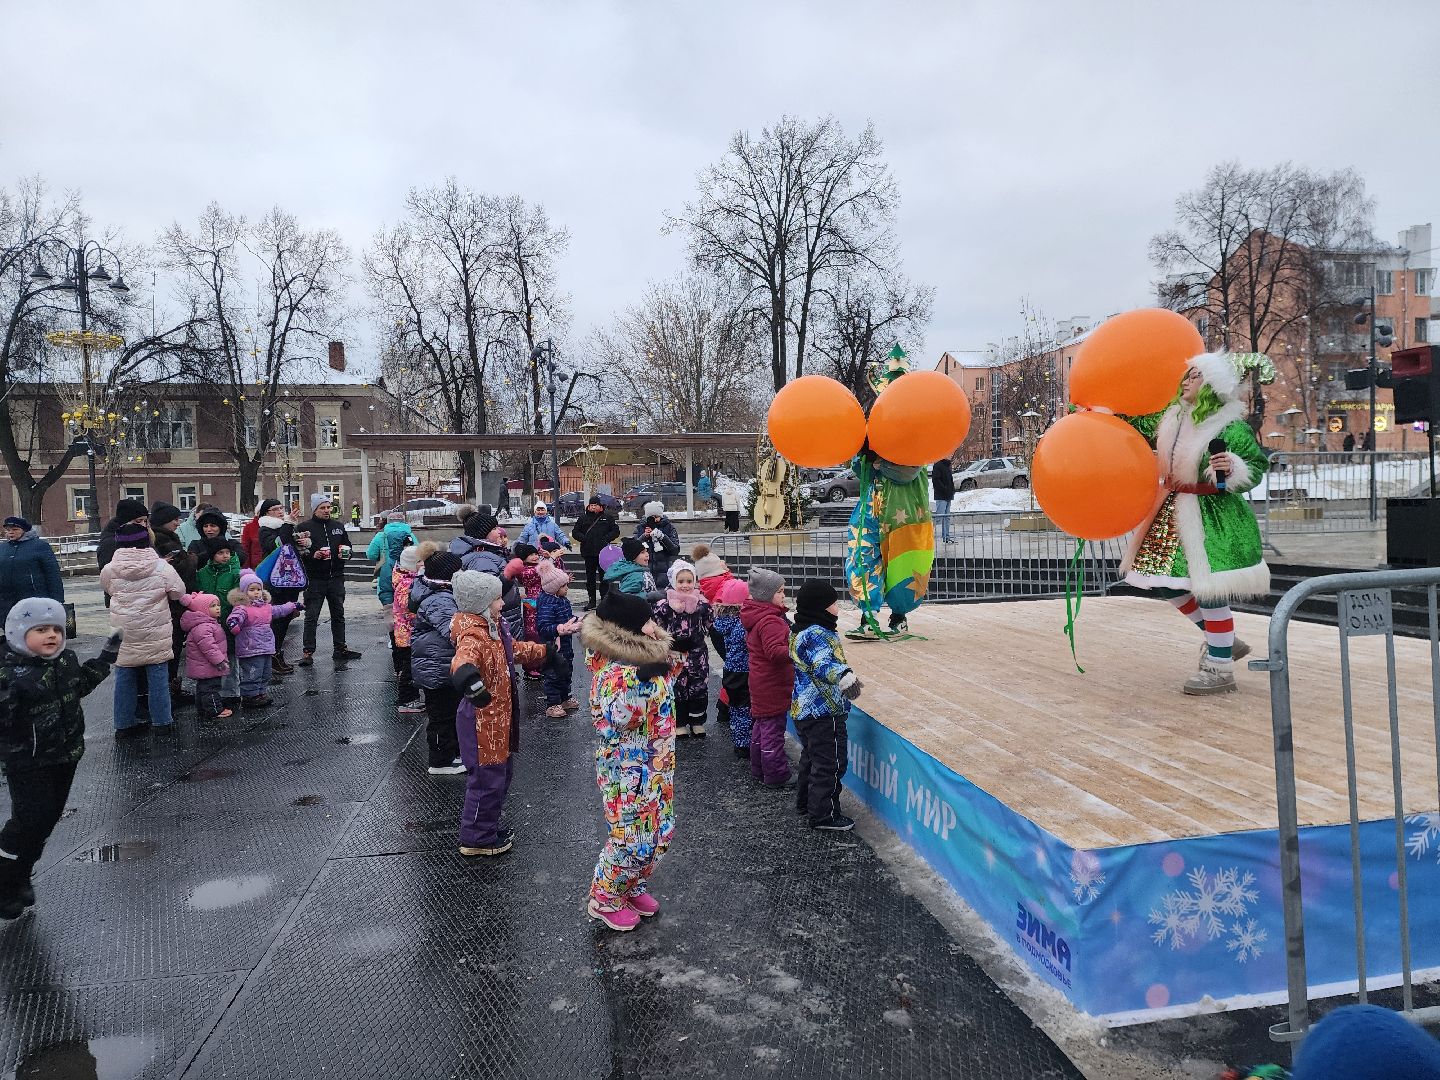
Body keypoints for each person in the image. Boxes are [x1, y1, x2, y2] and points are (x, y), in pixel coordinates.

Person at [1120, 353, 1270, 696]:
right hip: (1171, 511)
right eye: (1185, 376)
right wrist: (1098, 415)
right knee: (1164, 584)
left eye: (1194, 377)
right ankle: (1224, 640)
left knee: (1209, 591)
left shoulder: (1229, 426)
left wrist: (1232, 468)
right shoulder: (1171, 416)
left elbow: (1256, 465)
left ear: (1212, 386)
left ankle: (1219, 668)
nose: (1185, 381)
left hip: (1213, 516)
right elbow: (1137, 426)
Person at [0, 599, 119, 919]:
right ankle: (5, 877)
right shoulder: (9, 673)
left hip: (65, 755)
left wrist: (105, 659)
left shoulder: (64, 660)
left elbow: (78, 686)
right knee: (30, 819)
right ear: (18, 633)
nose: (51, 635)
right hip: (27, 760)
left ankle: (21, 874)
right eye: (40, 630)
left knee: (47, 820)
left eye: (55, 628)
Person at [580, 590, 680, 932]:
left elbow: (664, 687)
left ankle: (631, 885)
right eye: (648, 622)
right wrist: (640, 684)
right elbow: (612, 720)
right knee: (632, 838)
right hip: (627, 771)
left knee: (659, 832)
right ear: (630, 631)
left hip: (657, 765)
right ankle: (605, 896)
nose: (655, 625)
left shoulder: (644, 659)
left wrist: (666, 663)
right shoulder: (616, 671)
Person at [449, 570, 556, 857]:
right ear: (481, 602)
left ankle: (487, 827)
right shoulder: (474, 632)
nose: (503, 602)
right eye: (497, 598)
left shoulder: (494, 626)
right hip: (482, 720)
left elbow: (513, 651)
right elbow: (463, 661)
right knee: (485, 781)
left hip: (498, 719)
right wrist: (470, 681)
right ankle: (476, 838)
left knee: (499, 777)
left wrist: (544, 651)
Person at [789, 580, 863, 831]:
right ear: (820, 607)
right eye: (833, 603)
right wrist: (844, 676)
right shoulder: (815, 634)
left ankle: (806, 803)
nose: (837, 608)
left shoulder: (801, 630)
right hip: (823, 711)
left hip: (805, 711)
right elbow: (823, 665)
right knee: (830, 763)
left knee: (811, 758)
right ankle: (824, 815)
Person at [100, 523, 185, 736]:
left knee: (124, 676)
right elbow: (178, 592)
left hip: (123, 630)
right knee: (157, 676)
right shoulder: (161, 567)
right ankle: (162, 722)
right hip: (155, 629)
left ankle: (123, 724)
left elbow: (108, 588)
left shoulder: (110, 569)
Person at [409, 551, 465, 775]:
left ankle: (452, 752)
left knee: (450, 712)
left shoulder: (439, 594)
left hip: (440, 664)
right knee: (442, 715)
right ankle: (440, 761)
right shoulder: (439, 600)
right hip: (436, 668)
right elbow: (453, 630)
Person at [741, 567, 794, 788]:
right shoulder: (770, 621)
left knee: (761, 727)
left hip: (761, 681)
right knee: (773, 730)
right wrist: (795, 649)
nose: (784, 595)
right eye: (780, 591)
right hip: (772, 684)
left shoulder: (758, 615)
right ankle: (776, 774)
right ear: (766, 595)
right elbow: (775, 652)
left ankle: (758, 767)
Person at [650, 560, 714, 738]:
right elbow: (657, 628)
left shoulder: (702, 605)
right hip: (674, 653)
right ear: (673, 582)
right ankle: (679, 722)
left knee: (699, 686)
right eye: (681, 581)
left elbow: (711, 625)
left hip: (697, 653)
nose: (685, 585)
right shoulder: (664, 606)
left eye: (689, 581)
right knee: (677, 687)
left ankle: (697, 721)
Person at [297, 493, 361, 668]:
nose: (326, 510)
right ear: (315, 510)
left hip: (336, 578)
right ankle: (308, 652)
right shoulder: (304, 527)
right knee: (311, 616)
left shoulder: (338, 526)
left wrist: (347, 553)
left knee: (338, 615)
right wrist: (312, 555)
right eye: (322, 508)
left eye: (328, 507)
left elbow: (348, 546)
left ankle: (340, 648)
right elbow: (299, 552)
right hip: (315, 579)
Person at [226, 570, 300, 710]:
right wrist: (233, 624)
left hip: (265, 646)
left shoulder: (265, 606)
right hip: (250, 647)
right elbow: (235, 617)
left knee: (265, 672)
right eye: (252, 590)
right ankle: (249, 696)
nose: (256, 593)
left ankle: (260, 693)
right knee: (252, 672)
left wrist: (292, 605)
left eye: (258, 589)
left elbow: (278, 610)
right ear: (244, 591)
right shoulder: (242, 607)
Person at [255, 499, 307, 672]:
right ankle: (272, 655)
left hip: (289, 579)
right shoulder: (265, 529)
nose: (279, 511)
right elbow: (279, 544)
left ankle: (276, 654)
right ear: (265, 513)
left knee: (286, 618)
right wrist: (289, 525)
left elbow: (290, 547)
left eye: (280, 508)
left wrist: (303, 542)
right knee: (277, 619)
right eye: (274, 509)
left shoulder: (283, 526)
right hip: (276, 581)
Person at [195, 538, 242, 705]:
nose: (225, 556)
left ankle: (231, 692)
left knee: (230, 654)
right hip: (208, 623)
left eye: (228, 553)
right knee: (210, 655)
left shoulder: (235, 573)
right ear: (212, 555)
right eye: (220, 553)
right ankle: (212, 692)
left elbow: (239, 598)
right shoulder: (202, 573)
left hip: (227, 621)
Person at [710, 579, 751, 759]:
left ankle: (739, 740)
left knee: (736, 708)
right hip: (743, 671)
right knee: (745, 709)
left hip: (731, 669)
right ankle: (744, 745)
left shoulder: (723, 620)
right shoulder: (741, 624)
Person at [535, 560, 580, 718]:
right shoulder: (548, 604)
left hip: (565, 644)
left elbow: (567, 618)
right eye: (564, 586)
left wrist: (577, 621)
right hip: (553, 646)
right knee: (553, 674)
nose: (567, 588)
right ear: (554, 588)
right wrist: (558, 629)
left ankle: (564, 698)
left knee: (566, 671)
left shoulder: (562, 600)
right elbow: (543, 627)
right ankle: (552, 703)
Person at [391, 540, 431, 716]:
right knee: (409, 668)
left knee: (412, 666)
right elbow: (408, 608)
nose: (423, 564)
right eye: (419, 562)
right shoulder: (407, 583)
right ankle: (406, 700)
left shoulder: (410, 578)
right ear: (411, 564)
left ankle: (411, 698)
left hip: (409, 631)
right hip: (407, 633)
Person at [0, 516, 63, 627]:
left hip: (33, 597)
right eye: (8, 530)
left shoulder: (39, 546)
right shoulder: (3, 548)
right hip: (6, 600)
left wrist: (57, 600)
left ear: (24, 530)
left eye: (15, 530)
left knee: (34, 628)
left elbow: (52, 573)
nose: (11, 533)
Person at [180, 592, 232, 720]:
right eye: (213, 606)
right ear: (203, 609)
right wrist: (220, 661)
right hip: (209, 665)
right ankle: (214, 710)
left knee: (203, 688)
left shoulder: (206, 624)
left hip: (204, 665)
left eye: (218, 605)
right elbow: (209, 647)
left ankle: (202, 708)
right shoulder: (204, 627)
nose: (217, 608)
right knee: (211, 688)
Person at [571, 495, 620, 610]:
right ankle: (591, 600)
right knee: (590, 578)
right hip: (588, 552)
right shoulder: (583, 518)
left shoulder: (607, 518)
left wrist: (607, 538)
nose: (593, 507)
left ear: (600, 506)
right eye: (591, 505)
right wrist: (583, 538)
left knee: (604, 577)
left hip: (603, 553)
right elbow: (575, 532)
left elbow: (615, 531)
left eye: (595, 505)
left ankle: (604, 600)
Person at [366, 513, 416, 607]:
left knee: (388, 604)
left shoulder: (381, 535)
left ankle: (390, 616)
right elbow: (417, 553)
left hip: (386, 573)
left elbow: (371, 555)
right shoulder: (410, 535)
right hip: (406, 575)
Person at [96, 498, 150, 577]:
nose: (143, 525)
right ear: (125, 521)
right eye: (138, 521)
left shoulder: (143, 535)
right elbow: (110, 576)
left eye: (145, 521)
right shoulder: (110, 543)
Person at [632, 501, 679, 584]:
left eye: (657, 516)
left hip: (664, 571)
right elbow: (632, 550)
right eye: (651, 517)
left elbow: (675, 550)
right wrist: (644, 537)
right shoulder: (640, 528)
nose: (655, 520)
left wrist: (663, 537)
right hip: (644, 572)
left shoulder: (669, 527)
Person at [931, 457, 955, 545]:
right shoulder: (938, 465)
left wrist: (952, 490)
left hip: (948, 495)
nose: (950, 456)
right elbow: (936, 481)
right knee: (939, 517)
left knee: (947, 517)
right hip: (941, 496)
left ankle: (946, 537)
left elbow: (950, 480)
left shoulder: (947, 465)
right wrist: (944, 489)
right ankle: (927, 535)